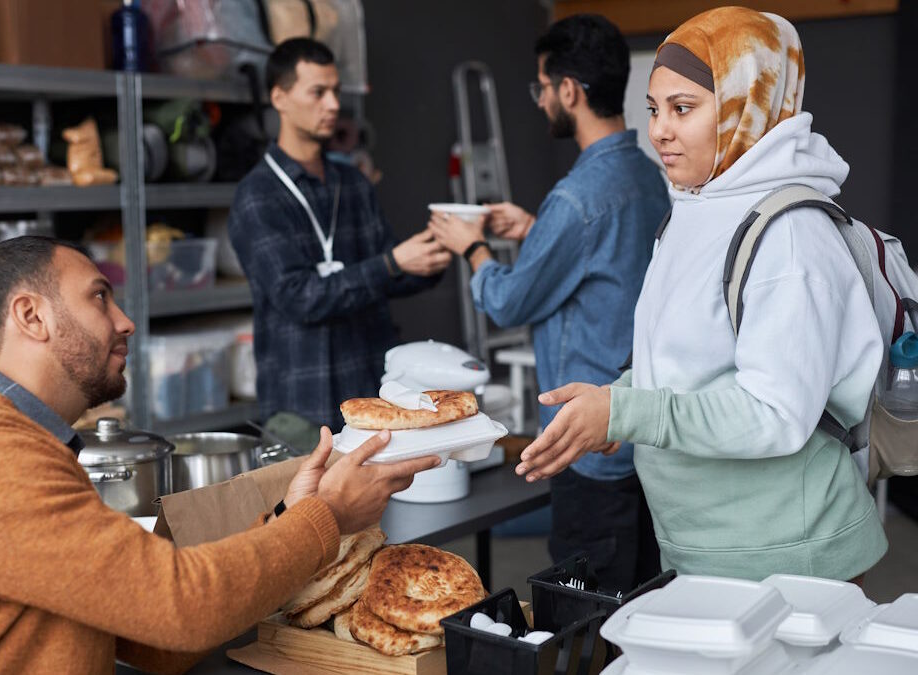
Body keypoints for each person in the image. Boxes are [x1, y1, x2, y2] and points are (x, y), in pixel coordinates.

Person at [0, 236, 440, 674]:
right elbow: (182, 609)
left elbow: (150, 638)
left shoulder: (13, 439)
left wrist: (288, 520)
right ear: (31, 316)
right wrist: (326, 518)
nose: (125, 320)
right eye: (100, 296)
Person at [515, 7, 888, 582]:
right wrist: (614, 404)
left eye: (683, 109)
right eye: (654, 109)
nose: (660, 130)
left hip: (790, 559)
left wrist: (629, 411)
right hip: (704, 551)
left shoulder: (790, 237)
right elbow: (684, 363)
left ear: (749, 105)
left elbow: (774, 415)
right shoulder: (694, 209)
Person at [429, 15, 670, 591]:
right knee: (642, 593)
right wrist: (538, 228)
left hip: (587, 445)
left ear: (569, 91)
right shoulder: (646, 175)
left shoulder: (578, 196)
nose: (540, 102)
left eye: (542, 87)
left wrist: (474, 249)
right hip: (640, 428)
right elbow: (614, 265)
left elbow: (509, 302)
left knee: (590, 609)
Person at [228, 38, 451, 433]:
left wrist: (437, 251)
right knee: (307, 498)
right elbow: (299, 298)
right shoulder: (257, 195)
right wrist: (392, 263)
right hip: (302, 406)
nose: (333, 104)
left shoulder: (352, 183)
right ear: (279, 97)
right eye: (318, 92)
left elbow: (388, 276)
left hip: (374, 396)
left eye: (335, 91)